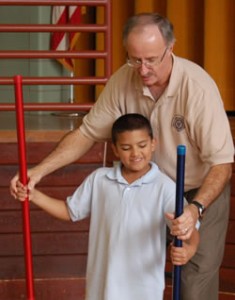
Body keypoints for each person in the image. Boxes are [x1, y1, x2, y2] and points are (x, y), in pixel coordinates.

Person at [10, 13, 234, 300]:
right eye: (135, 59)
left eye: (151, 59)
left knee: (193, 284)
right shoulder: (122, 81)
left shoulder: (198, 89)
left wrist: (195, 209)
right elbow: (86, 134)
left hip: (198, 189)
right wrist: (38, 172)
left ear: (171, 47)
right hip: (145, 188)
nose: (142, 69)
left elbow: (222, 165)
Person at [15, 113, 199, 300]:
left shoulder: (165, 187)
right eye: (126, 148)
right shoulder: (99, 179)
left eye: (142, 146)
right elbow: (69, 211)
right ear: (115, 149)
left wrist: (189, 248)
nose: (135, 154)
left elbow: (189, 228)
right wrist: (34, 195)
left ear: (153, 143)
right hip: (101, 289)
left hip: (144, 290)